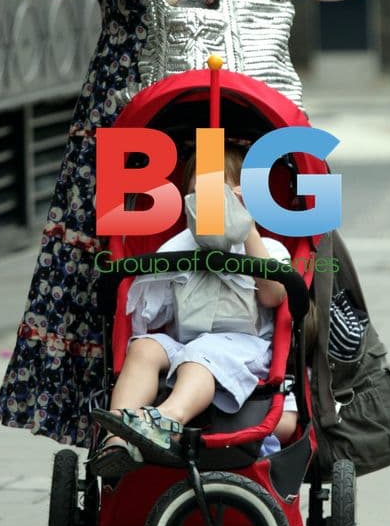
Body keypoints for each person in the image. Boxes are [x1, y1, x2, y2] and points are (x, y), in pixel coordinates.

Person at [0, 0, 367, 448]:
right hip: (129, 131)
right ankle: (126, 484)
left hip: (238, 136)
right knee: (126, 300)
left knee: (255, 286)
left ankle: (247, 444)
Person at [89, 145, 295, 475]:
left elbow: (273, 295)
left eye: (221, 195)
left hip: (245, 351)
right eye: (200, 194)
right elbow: (152, 313)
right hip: (185, 344)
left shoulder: (266, 247)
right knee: (144, 347)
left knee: (200, 354)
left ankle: (166, 419)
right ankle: (116, 438)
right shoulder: (178, 247)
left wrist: (248, 227)